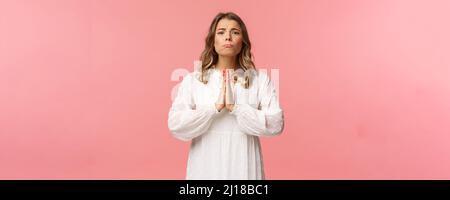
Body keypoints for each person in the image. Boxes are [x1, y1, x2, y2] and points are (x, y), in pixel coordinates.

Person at [168, 12, 284, 180]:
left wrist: (236, 108)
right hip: (205, 165)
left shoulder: (259, 79)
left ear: (242, 42)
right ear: (212, 41)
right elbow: (175, 124)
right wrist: (213, 109)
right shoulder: (194, 79)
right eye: (221, 32)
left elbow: (276, 124)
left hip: (244, 166)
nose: (228, 37)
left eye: (235, 32)